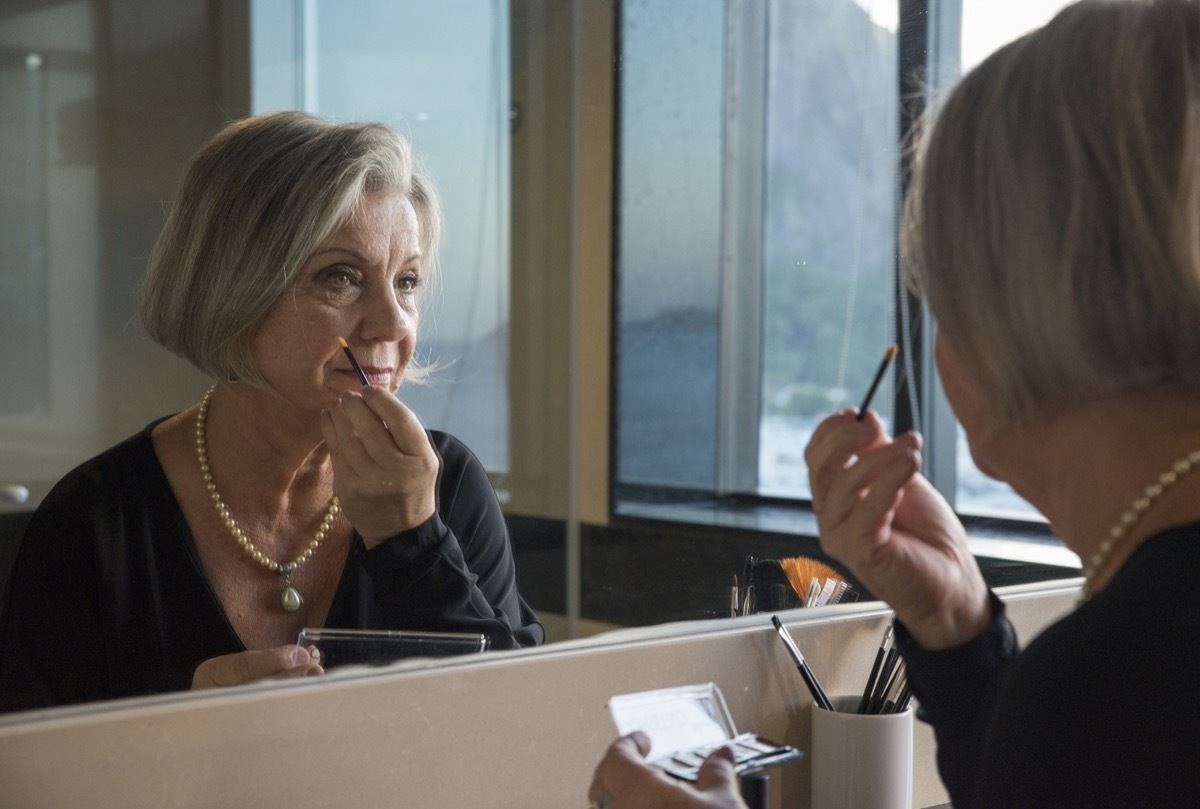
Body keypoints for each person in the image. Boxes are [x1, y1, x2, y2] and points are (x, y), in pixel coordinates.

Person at [590, 0, 1200, 806]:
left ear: (1008, 315)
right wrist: (957, 625)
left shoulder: (1121, 671)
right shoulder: (1124, 670)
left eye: (938, 295)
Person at [0, 111, 543, 713]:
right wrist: (175, 733)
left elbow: (518, 723)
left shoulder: (450, 485)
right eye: (340, 277)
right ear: (232, 290)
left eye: (407, 281)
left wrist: (411, 540)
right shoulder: (94, 523)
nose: (394, 323)